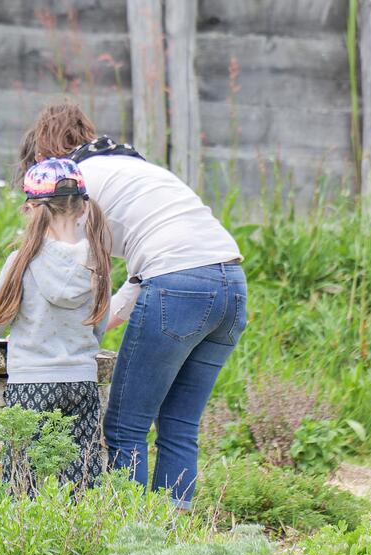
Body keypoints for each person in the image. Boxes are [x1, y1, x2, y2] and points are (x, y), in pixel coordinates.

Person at [21, 104, 248, 508]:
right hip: (231, 285)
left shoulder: (76, 182)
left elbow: (66, 269)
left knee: (126, 427)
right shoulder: (135, 167)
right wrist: (106, 319)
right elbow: (143, 274)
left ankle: (130, 534)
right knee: (179, 425)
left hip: (177, 285)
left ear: (44, 156)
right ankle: (172, 540)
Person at [0, 158, 112, 488]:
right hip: (81, 380)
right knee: (82, 471)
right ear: (82, 209)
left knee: (22, 472)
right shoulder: (97, 262)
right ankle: (83, 533)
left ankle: (23, 535)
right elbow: (99, 326)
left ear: (33, 209)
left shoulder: (22, 260)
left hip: (31, 384)